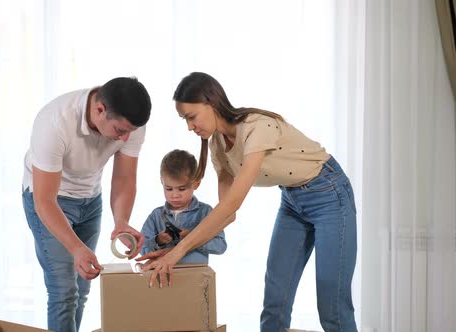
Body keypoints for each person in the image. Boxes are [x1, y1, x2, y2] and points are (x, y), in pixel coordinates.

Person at [137, 72, 357, 332]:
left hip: (328, 193)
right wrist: (174, 249)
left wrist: (178, 251)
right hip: (292, 200)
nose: (189, 127)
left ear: (211, 102)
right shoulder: (218, 146)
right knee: (275, 301)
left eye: (191, 117)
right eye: (185, 120)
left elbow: (232, 205)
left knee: (332, 305)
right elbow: (225, 215)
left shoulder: (257, 127)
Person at [22, 77, 151, 332]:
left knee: (81, 288)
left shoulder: (130, 124)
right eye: (120, 131)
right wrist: (75, 248)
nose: (125, 139)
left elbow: (125, 179)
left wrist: (121, 222)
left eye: (129, 132)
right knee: (64, 291)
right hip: (50, 200)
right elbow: (44, 200)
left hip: (91, 199)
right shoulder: (54, 122)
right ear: (100, 109)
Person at [140, 149, 227, 264]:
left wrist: (193, 238)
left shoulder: (205, 212)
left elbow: (220, 246)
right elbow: (142, 249)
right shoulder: (156, 216)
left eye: (182, 189)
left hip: (195, 277)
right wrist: (158, 240)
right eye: (169, 189)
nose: (175, 195)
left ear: (196, 184)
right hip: (162, 275)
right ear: (162, 181)